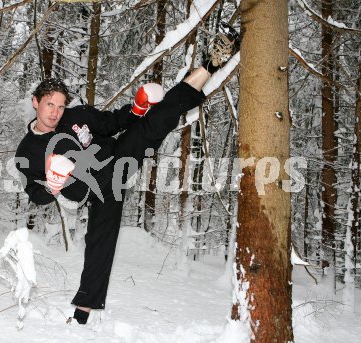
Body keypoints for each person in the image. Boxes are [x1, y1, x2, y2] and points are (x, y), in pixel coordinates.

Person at [15, 23, 239, 324]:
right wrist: (54, 183)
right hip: (84, 189)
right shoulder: (27, 151)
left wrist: (137, 107)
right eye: (49, 105)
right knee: (99, 243)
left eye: (60, 105)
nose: (55, 112)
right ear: (36, 103)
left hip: (115, 163)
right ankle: (83, 314)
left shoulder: (76, 117)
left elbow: (111, 123)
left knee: (154, 122)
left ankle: (210, 64)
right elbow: (36, 195)